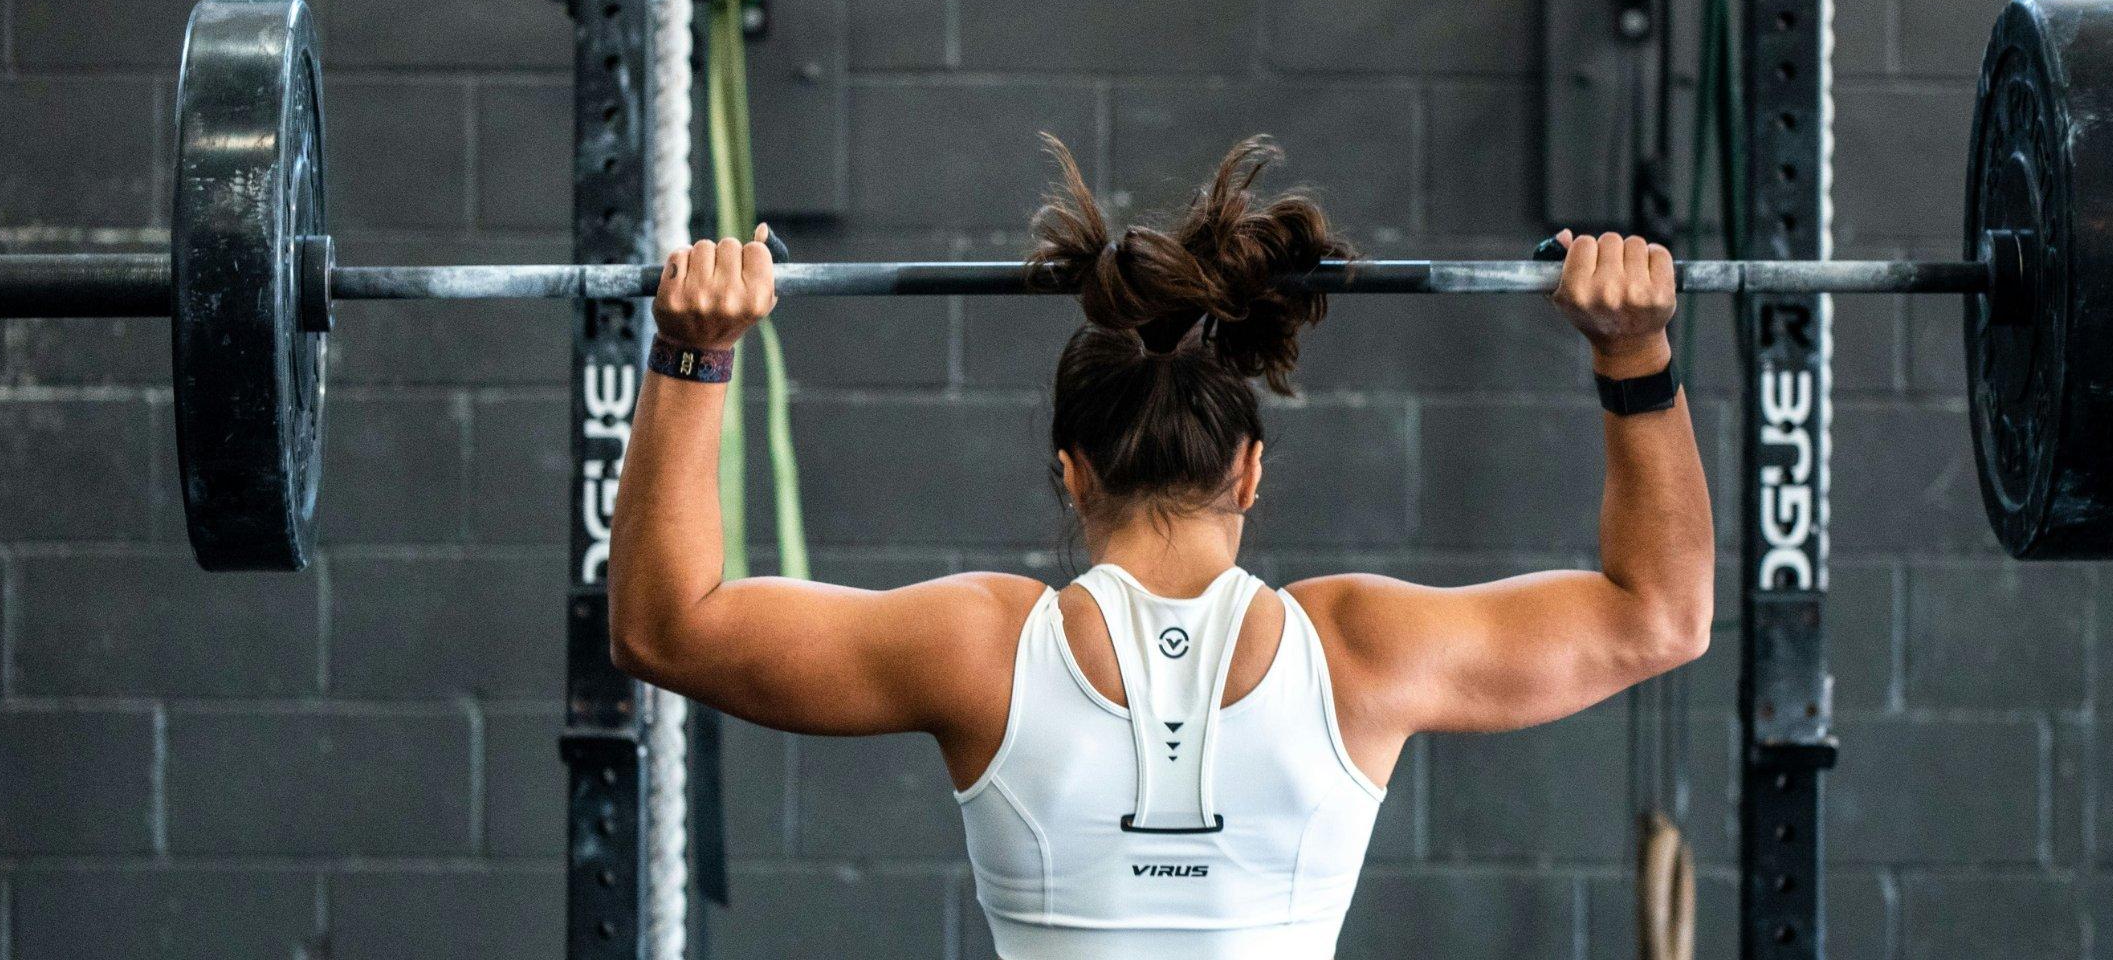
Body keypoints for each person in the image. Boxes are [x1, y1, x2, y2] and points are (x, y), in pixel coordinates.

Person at [609, 135, 1714, 959]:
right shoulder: (1360, 650)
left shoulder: (980, 647)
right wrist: (1636, 351)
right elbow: (1660, 614)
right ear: (1250, 470)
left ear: (1069, 471)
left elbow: (666, 625)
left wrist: (693, 353)